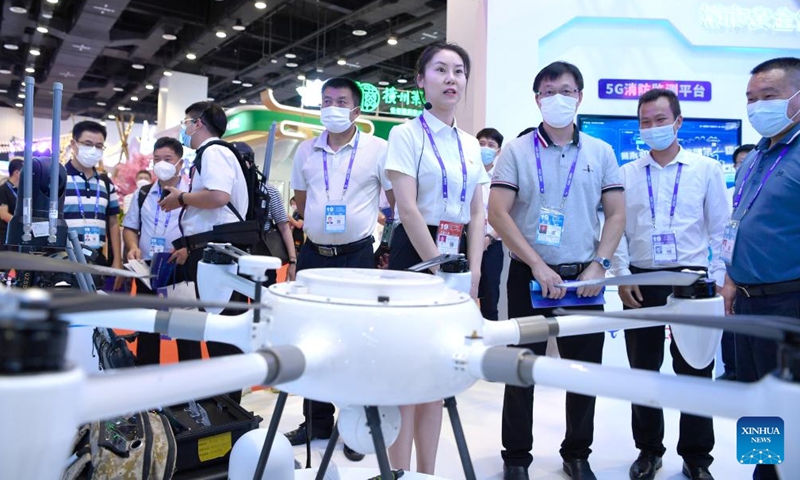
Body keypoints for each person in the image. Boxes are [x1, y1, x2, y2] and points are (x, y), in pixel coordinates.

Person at [488, 61, 625, 480]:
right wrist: (537, 265)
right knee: (522, 369)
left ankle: (577, 453)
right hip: (527, 277)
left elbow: (616, 214)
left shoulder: (600, 152)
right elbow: (498, 212)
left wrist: (598, 265)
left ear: (580, 96)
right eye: (548, 91)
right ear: (537, 99)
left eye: (566, 91)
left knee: (584, 372)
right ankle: (515, 457)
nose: (557, 99)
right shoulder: (516, 149)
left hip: (584, 281)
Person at [384, 42, 489, 475]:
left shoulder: (470, 144)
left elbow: (478, 211)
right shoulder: (405, 135)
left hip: (457, 257)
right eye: (441, 70)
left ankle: (426, 473)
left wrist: (474, 271)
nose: (451, 79)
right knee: (407, 378)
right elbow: (406, 209)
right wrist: (440, 267)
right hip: (417, 254)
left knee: (437, 379)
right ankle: (399, 472)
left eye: (459, 71)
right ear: (420, 79)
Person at [612, 88, 727, 480]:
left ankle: (696, 458)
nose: (653, 128)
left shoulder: (706, 170)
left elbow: (720, 229)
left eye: (661, 120)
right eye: (645, 122)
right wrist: (623, 274)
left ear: (678, 122)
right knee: (643, 369)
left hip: (691, 280)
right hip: (641, 279)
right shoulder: (626, 173)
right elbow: (616, 229)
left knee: (695, 368)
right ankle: (648, 451)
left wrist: (718, 280)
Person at [285, 77, 392, 462]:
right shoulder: (305, 151)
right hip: (315, 255)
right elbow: (300, 201)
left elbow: (394, 202)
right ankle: (316, 420)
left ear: (356, 109)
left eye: (340, 101)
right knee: (311, 342)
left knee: (354, 343)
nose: (332, 107)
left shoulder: (377, 149)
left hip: (358, 257)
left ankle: (353, 426)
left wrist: (389, 246)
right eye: (326, 101)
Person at [720, 56, 800, 480]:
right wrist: (731, 276)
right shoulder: (754, 159)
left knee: (788, 408)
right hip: (747, 304)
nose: (756, 107)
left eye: (768, 96)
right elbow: (740, 222)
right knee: (756, 404)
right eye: (751, 98)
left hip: (790, 302)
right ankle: (763, 475)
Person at [159, 101, 250, 403]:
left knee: (222, 332)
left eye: (186, 122)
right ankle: (222, 405)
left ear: (197, 123)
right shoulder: (211, 154)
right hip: (211, 251)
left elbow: (218, 196)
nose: (184, 129)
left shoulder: (214, 152)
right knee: (217, 330)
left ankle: (227, 409)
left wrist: (181, 198)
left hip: (218, 253)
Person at [122, 137, 189, 365]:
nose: (161, 164)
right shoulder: (143, 195)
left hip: (179, 268)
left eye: (167, 159)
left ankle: (190, 389)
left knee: (185, 331)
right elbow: (130, 227)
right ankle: (146, 386)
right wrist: (132, 247)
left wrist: (188, 249)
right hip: (147, 269)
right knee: (147, 330)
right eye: (157, 159)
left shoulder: (192, 194)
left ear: (180, 162)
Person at [63, 120, 124, 290]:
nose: (93, 150)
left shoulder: (105, 182)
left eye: (99, 146)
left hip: (96, 258)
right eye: (87, 144)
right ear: (74, 145)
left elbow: (113, 222)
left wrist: (117, 260)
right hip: (64, 259)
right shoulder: (58, 178)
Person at [230, 141, 297, 286]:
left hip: (262, 256)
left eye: (239, 161)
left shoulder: (268, 191)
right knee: (236, 306)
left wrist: (292, 260)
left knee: (263, 303)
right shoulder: (224, 191)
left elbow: (284, 227)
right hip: (232, 257)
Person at [718, 142, 756, 382]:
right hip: (741, 286)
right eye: (738, 165)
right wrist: (728, 279)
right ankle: (731, 370)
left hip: (782, 292)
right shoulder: (735, 193)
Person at [476, 127, 505, 320]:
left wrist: (489, 237)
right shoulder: (466, 174)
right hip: (465, 242)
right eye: (481, 144)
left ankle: (489, 343)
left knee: (489, 297)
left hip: (492, 244)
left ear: (498, 151)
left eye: (491, 145)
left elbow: (507, 213)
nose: (485, 148)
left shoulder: (502, 179)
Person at [0, 159, 23, 250]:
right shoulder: (3, 190)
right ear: (16, 173)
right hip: (5, 237)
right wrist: (22, 223)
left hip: (16, 235)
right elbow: (3, 214)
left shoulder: (20, 190)